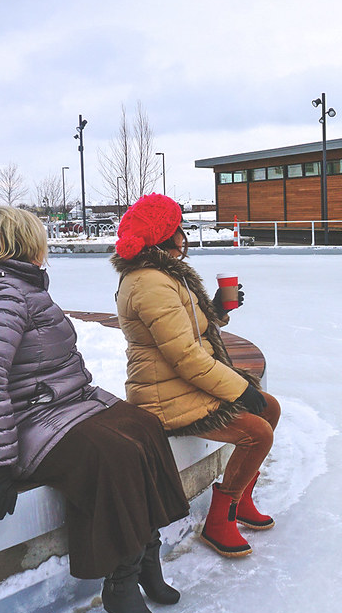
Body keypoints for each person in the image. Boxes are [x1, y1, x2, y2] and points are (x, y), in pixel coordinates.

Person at [0, 206, 189, 613]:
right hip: (4, 426)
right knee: (112, 454)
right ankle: (120, 579)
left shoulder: (14, 284)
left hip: (50, 406)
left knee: (144, 426)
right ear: (24, 243)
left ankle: (146, 556)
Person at [110, 193, 280, 560]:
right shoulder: (149, 283)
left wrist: (215, 309)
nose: (183, 235)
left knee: (270, 408)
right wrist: (239, 390)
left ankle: (240, 499)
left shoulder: (163, 275)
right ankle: (220, 519)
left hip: (181, 384)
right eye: (178, 228)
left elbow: (186, 331)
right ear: (164, 236)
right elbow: (185, 356)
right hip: (164, 397)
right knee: (258, 432)